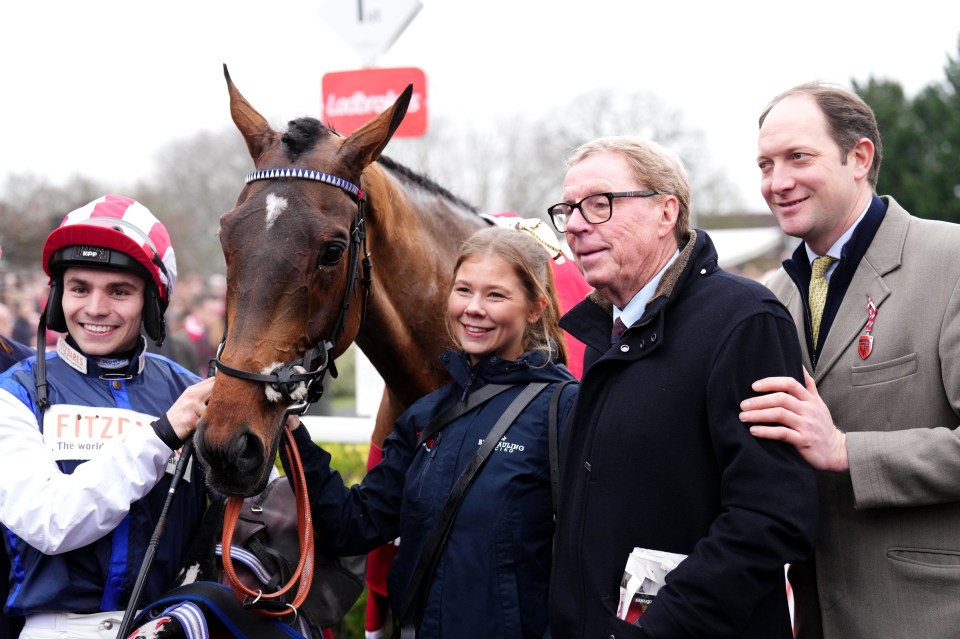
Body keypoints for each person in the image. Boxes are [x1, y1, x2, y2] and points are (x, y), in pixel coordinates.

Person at [546, 136, 817, 639]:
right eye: (568, 210)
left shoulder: (743, 321)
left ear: (666, 212)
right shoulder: (605, 332)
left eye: (600, 204)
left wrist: (657, 628)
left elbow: (771, 516)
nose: (578, 224)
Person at [738, 81, 960, 639]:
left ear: (859, 157)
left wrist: (844, 451)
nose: (777, 182)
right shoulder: (774, 297)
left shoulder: (950, 262)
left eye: (798, 158)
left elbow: (830, 446)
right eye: (765, 164)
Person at [281, 225, 577, 639]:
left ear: (534, 308)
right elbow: (355, 525)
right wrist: (290, 431)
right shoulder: (426, 415)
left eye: (495, 295)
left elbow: (588, 564)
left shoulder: (565, 409)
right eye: (464, 290)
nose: (474, 308)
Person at [0, 194, 214, 638]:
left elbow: (255, 511)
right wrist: (162, 435)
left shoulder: (188, 391)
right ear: (57, 298)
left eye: (119, 291)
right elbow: (49, 521)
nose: (95, 308)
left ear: (152, 304)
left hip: (172, 626)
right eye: (79, 288)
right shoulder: (14, 393)